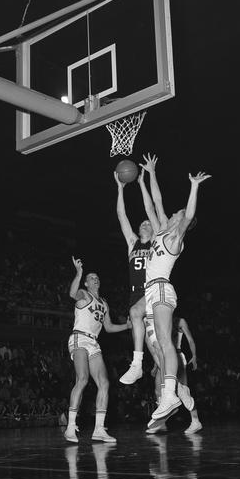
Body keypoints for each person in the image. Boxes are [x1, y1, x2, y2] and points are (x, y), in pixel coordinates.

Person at [138, 157, 211, 422]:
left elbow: (188, 216)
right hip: (151, 293)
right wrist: (150, 174)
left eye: (176, 214)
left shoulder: (174, 238)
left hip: (160, 289)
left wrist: (194, 186)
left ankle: (169, 395)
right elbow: (153, 203)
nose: (171, 214)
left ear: (180, 223)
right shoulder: (160, 231)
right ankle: (180, 391)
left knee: (166, 343)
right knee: (158, 346)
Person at [64, 257, 132, 443]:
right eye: (91, 277)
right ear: (86, 283)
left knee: (104, 383)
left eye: (97, 277)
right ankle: (70, 427)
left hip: (93, 342)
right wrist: (79, 273)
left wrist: (127, 326)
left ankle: (99, 429)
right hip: (79, 338)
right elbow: (72, 293)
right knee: (82, 379)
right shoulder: (84, 295)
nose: (95, 279)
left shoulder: (104, 303)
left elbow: (108, 327)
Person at [113, 163, 157, 385]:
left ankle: (136, 364)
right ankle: (177, 388)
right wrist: (120, 189)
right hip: (135, 294)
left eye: (149, 223)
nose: (146, 223)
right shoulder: (133, 243)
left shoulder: (156, 243)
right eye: (143, 223)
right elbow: (121, 215)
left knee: (134, 313)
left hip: (151, 291)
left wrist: (142, 184)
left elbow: (151, 209)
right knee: (153, 347)